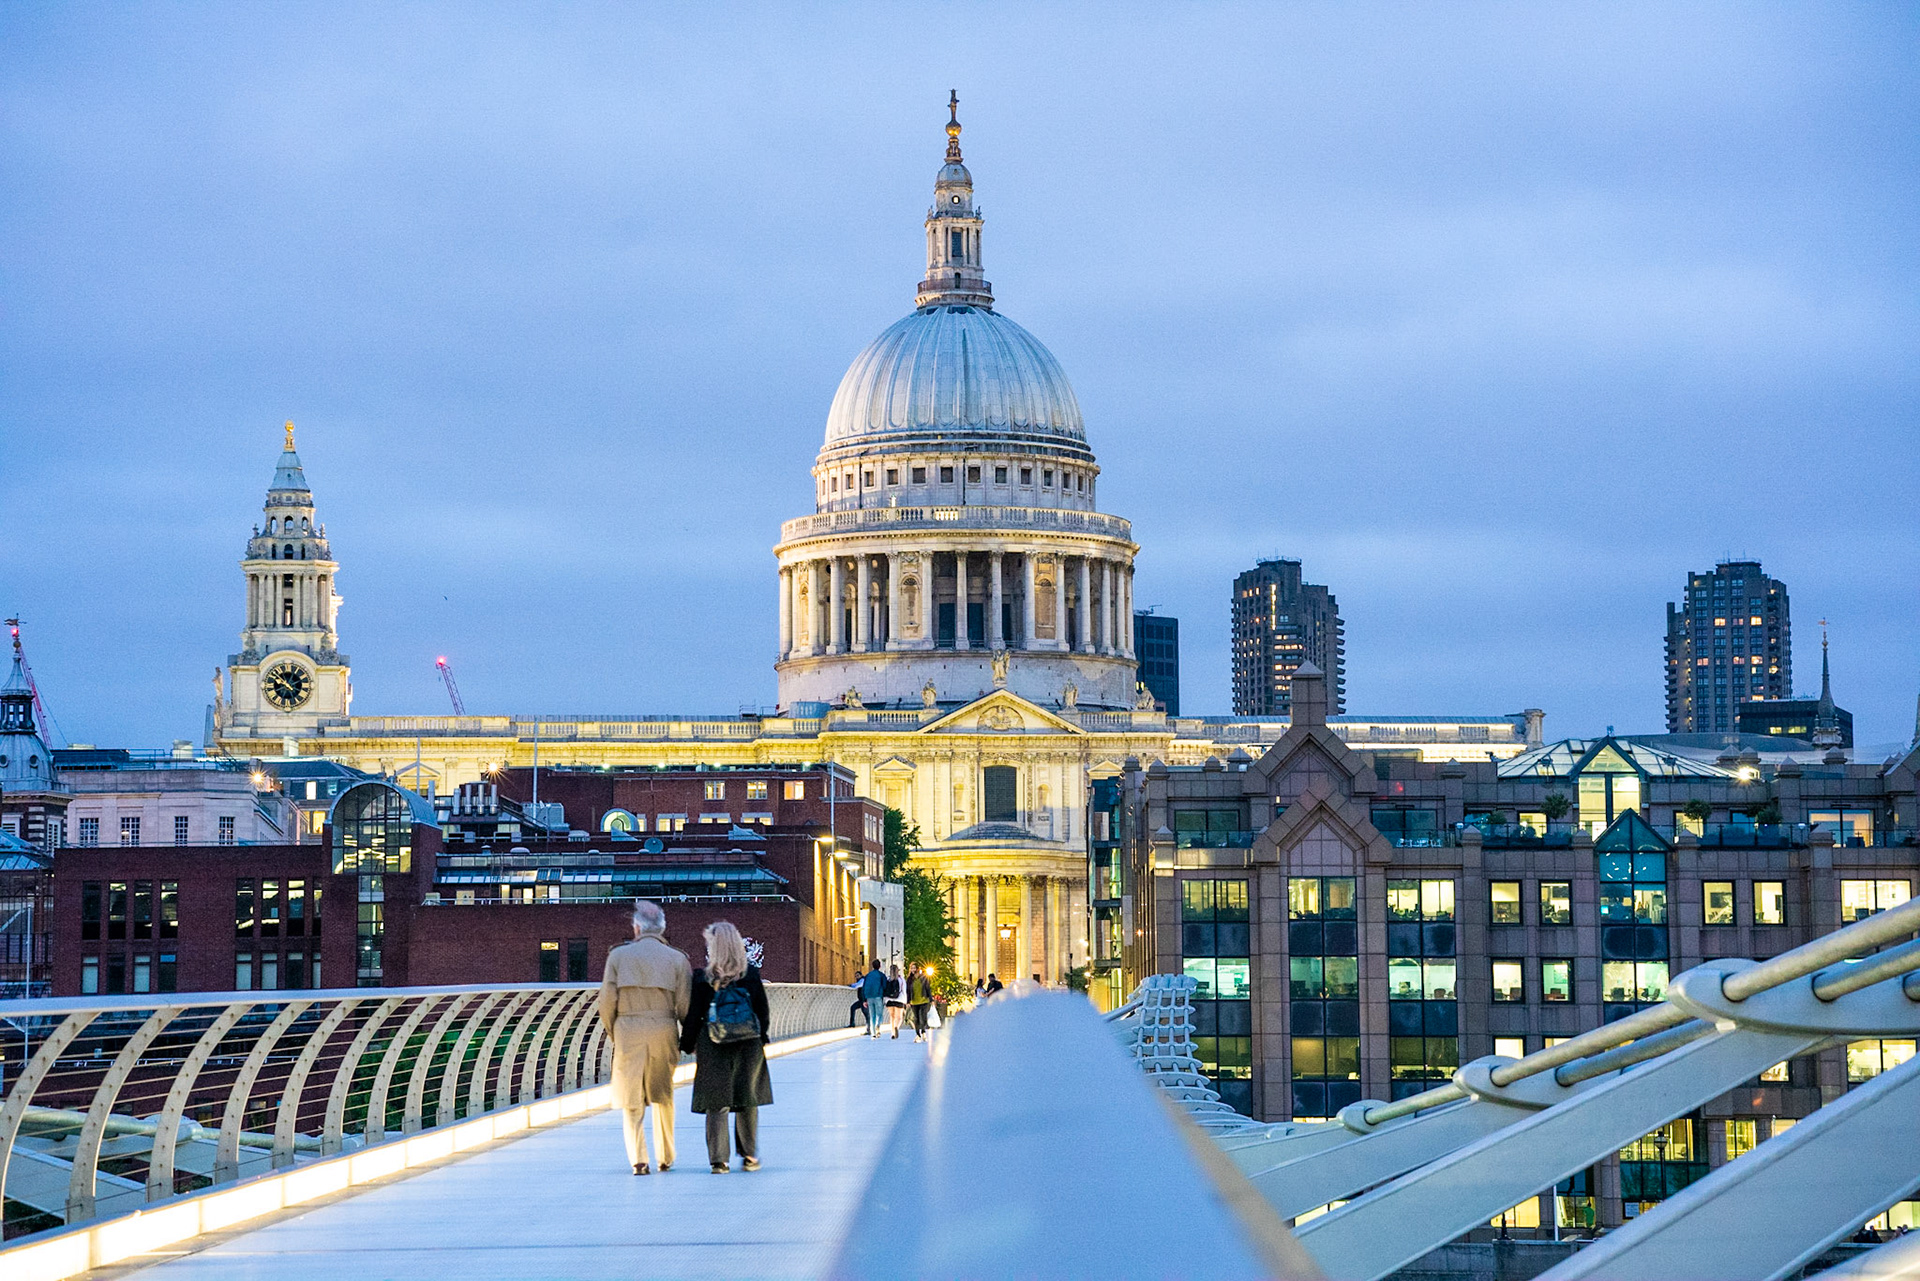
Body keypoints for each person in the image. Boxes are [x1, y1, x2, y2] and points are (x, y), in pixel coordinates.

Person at [597, 899, 691, 1176]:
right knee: (663, 1094)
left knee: (632, 1097)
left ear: (636, 927)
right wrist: (686, 1035)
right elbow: (684, 1004)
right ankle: (665, 1156)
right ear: (662, 928)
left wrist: (614, 1030)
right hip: (663, 1027)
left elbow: (606, 1001)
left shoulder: (617, 957)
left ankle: (639, 1160)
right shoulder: (677, 958)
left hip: (628, 1028)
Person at [682, 920, 773, 1173]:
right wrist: (762, 1037)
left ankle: (718, 1161)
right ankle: (750, 1156)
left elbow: (694, 1014)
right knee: (747, 1097)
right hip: (748, 1043)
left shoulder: (703, 977)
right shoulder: (751, 975)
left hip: (713, 1043)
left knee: (716, 1101)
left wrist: (688, 1043)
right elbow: (762, 1012)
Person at [906, 962, 934, 1041]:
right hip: (914, 1001)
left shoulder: (924, 977)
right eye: (911, 968)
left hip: (924, 1000)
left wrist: (931, 999)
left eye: (914, 968)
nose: (913, 970)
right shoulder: (909, 979)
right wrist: (908, 1001)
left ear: (918, 969)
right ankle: (918, 1034)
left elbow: (928, 988)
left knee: (923, 1016)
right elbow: (908, 991)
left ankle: (923, 1032)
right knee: (916, 1018)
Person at [859, 958, 887, 1037]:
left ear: (872, 966)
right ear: (879, 966)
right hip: (878, 996)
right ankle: (878, 1025)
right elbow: (884, 986)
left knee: (872, 1014)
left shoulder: (868, 975)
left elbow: (864, 987)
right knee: (879, 1014)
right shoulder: (881, 975)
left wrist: (864, 1000)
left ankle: (873, 1032)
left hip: (869, 997)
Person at [884, 963, 907, 1039]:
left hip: (889, 1000)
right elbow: (904, 990)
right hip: (899, 1000)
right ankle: (896, 1027)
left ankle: (892, 1033)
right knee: (899, 1017)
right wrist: (905, 1001)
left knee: (892, 1016)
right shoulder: (901, 979)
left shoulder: (888, 979)